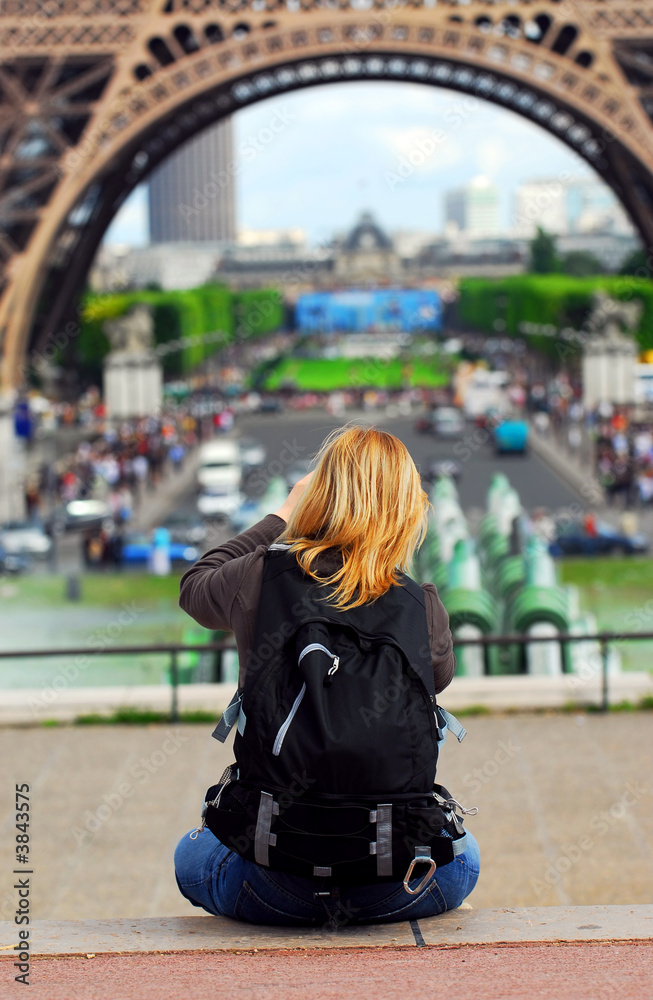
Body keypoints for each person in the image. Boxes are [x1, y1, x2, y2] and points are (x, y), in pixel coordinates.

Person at [174, 425, 479, 926]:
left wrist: (280, 516)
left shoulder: (259, 577)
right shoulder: (421, 605)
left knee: (190, 855)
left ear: (321, 496)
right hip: (400, 880)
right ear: (404, 510)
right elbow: (439, 678)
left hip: (269, 880)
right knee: (467, 858)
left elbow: (195, 586)